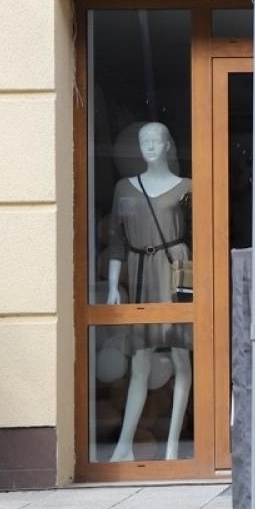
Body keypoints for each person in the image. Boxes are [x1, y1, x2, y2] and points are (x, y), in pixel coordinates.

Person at [103, 121, 193, 462]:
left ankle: (172, 447)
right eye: (144, 141)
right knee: (140, 359)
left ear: (169, 144)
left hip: (176, 269)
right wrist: (113, 285)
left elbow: (199, 236)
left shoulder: (188, 187)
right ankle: (124, 444)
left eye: (156, 140)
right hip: (140, 269)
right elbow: (116, 240)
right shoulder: (125, 189)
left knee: (182, 357)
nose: (150, 146)